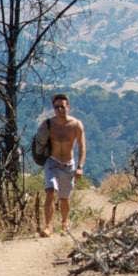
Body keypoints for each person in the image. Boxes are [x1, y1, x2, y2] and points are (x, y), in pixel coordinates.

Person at [36, 93, 86, 237]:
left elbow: (82, 147)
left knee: (64, 198)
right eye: (56, 107)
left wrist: (80, 167)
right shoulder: (48, 124)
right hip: (52, 161)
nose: (59, 110)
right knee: (50, 191)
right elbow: (38, 142)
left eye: (62, 107)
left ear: (68, 107)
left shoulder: (76, 125)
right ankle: (48, 226)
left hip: (68, 164)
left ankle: (64, 223)